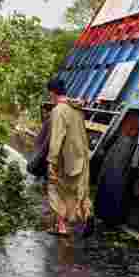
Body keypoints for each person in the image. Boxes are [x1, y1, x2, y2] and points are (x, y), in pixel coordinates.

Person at [46, 78, 92, 236]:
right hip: (81, 156)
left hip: (66, 159)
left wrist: (51, 161)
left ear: (52, 92)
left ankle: (61, 227)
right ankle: (87, 216)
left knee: (55, 188)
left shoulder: (59, 110)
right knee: (79, 190)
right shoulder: (76, 108)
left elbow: (56, 139)